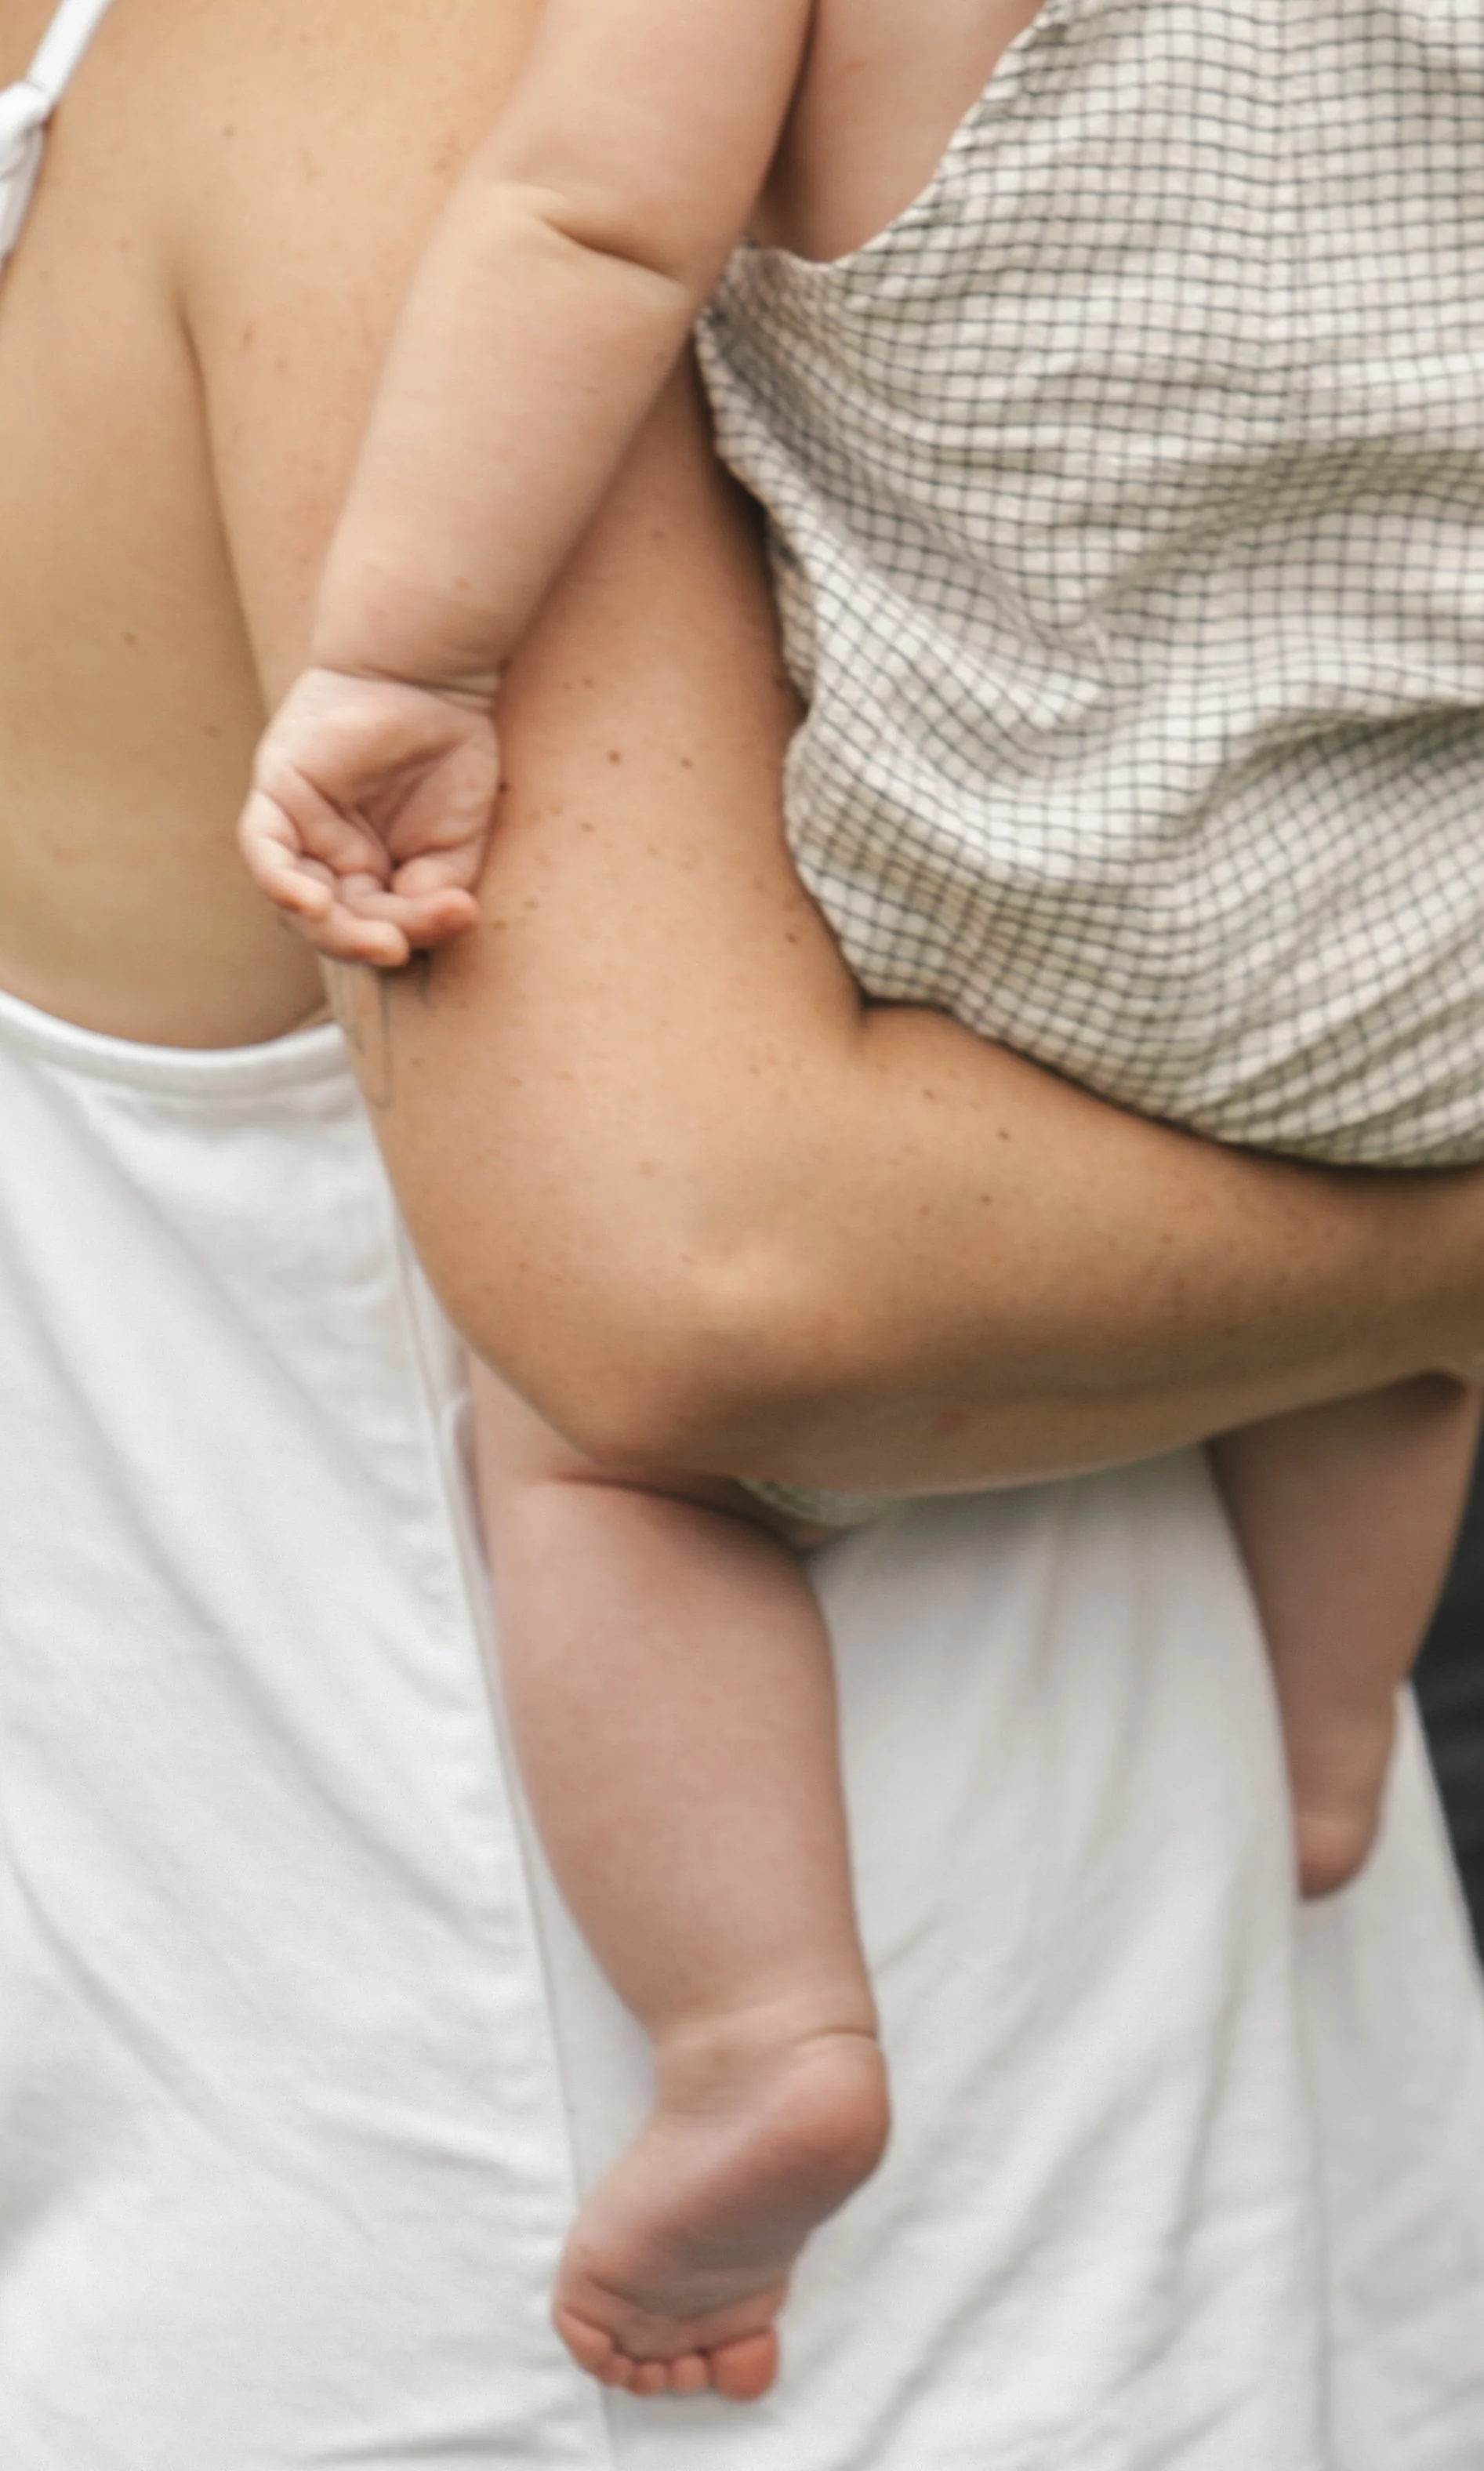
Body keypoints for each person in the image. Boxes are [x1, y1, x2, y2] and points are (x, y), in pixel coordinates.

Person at [4, 0, 1484, 2463]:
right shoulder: (363, 57)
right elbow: (698, 1275)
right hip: (787, 2239)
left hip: (280, 2044)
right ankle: (1264, 1775)